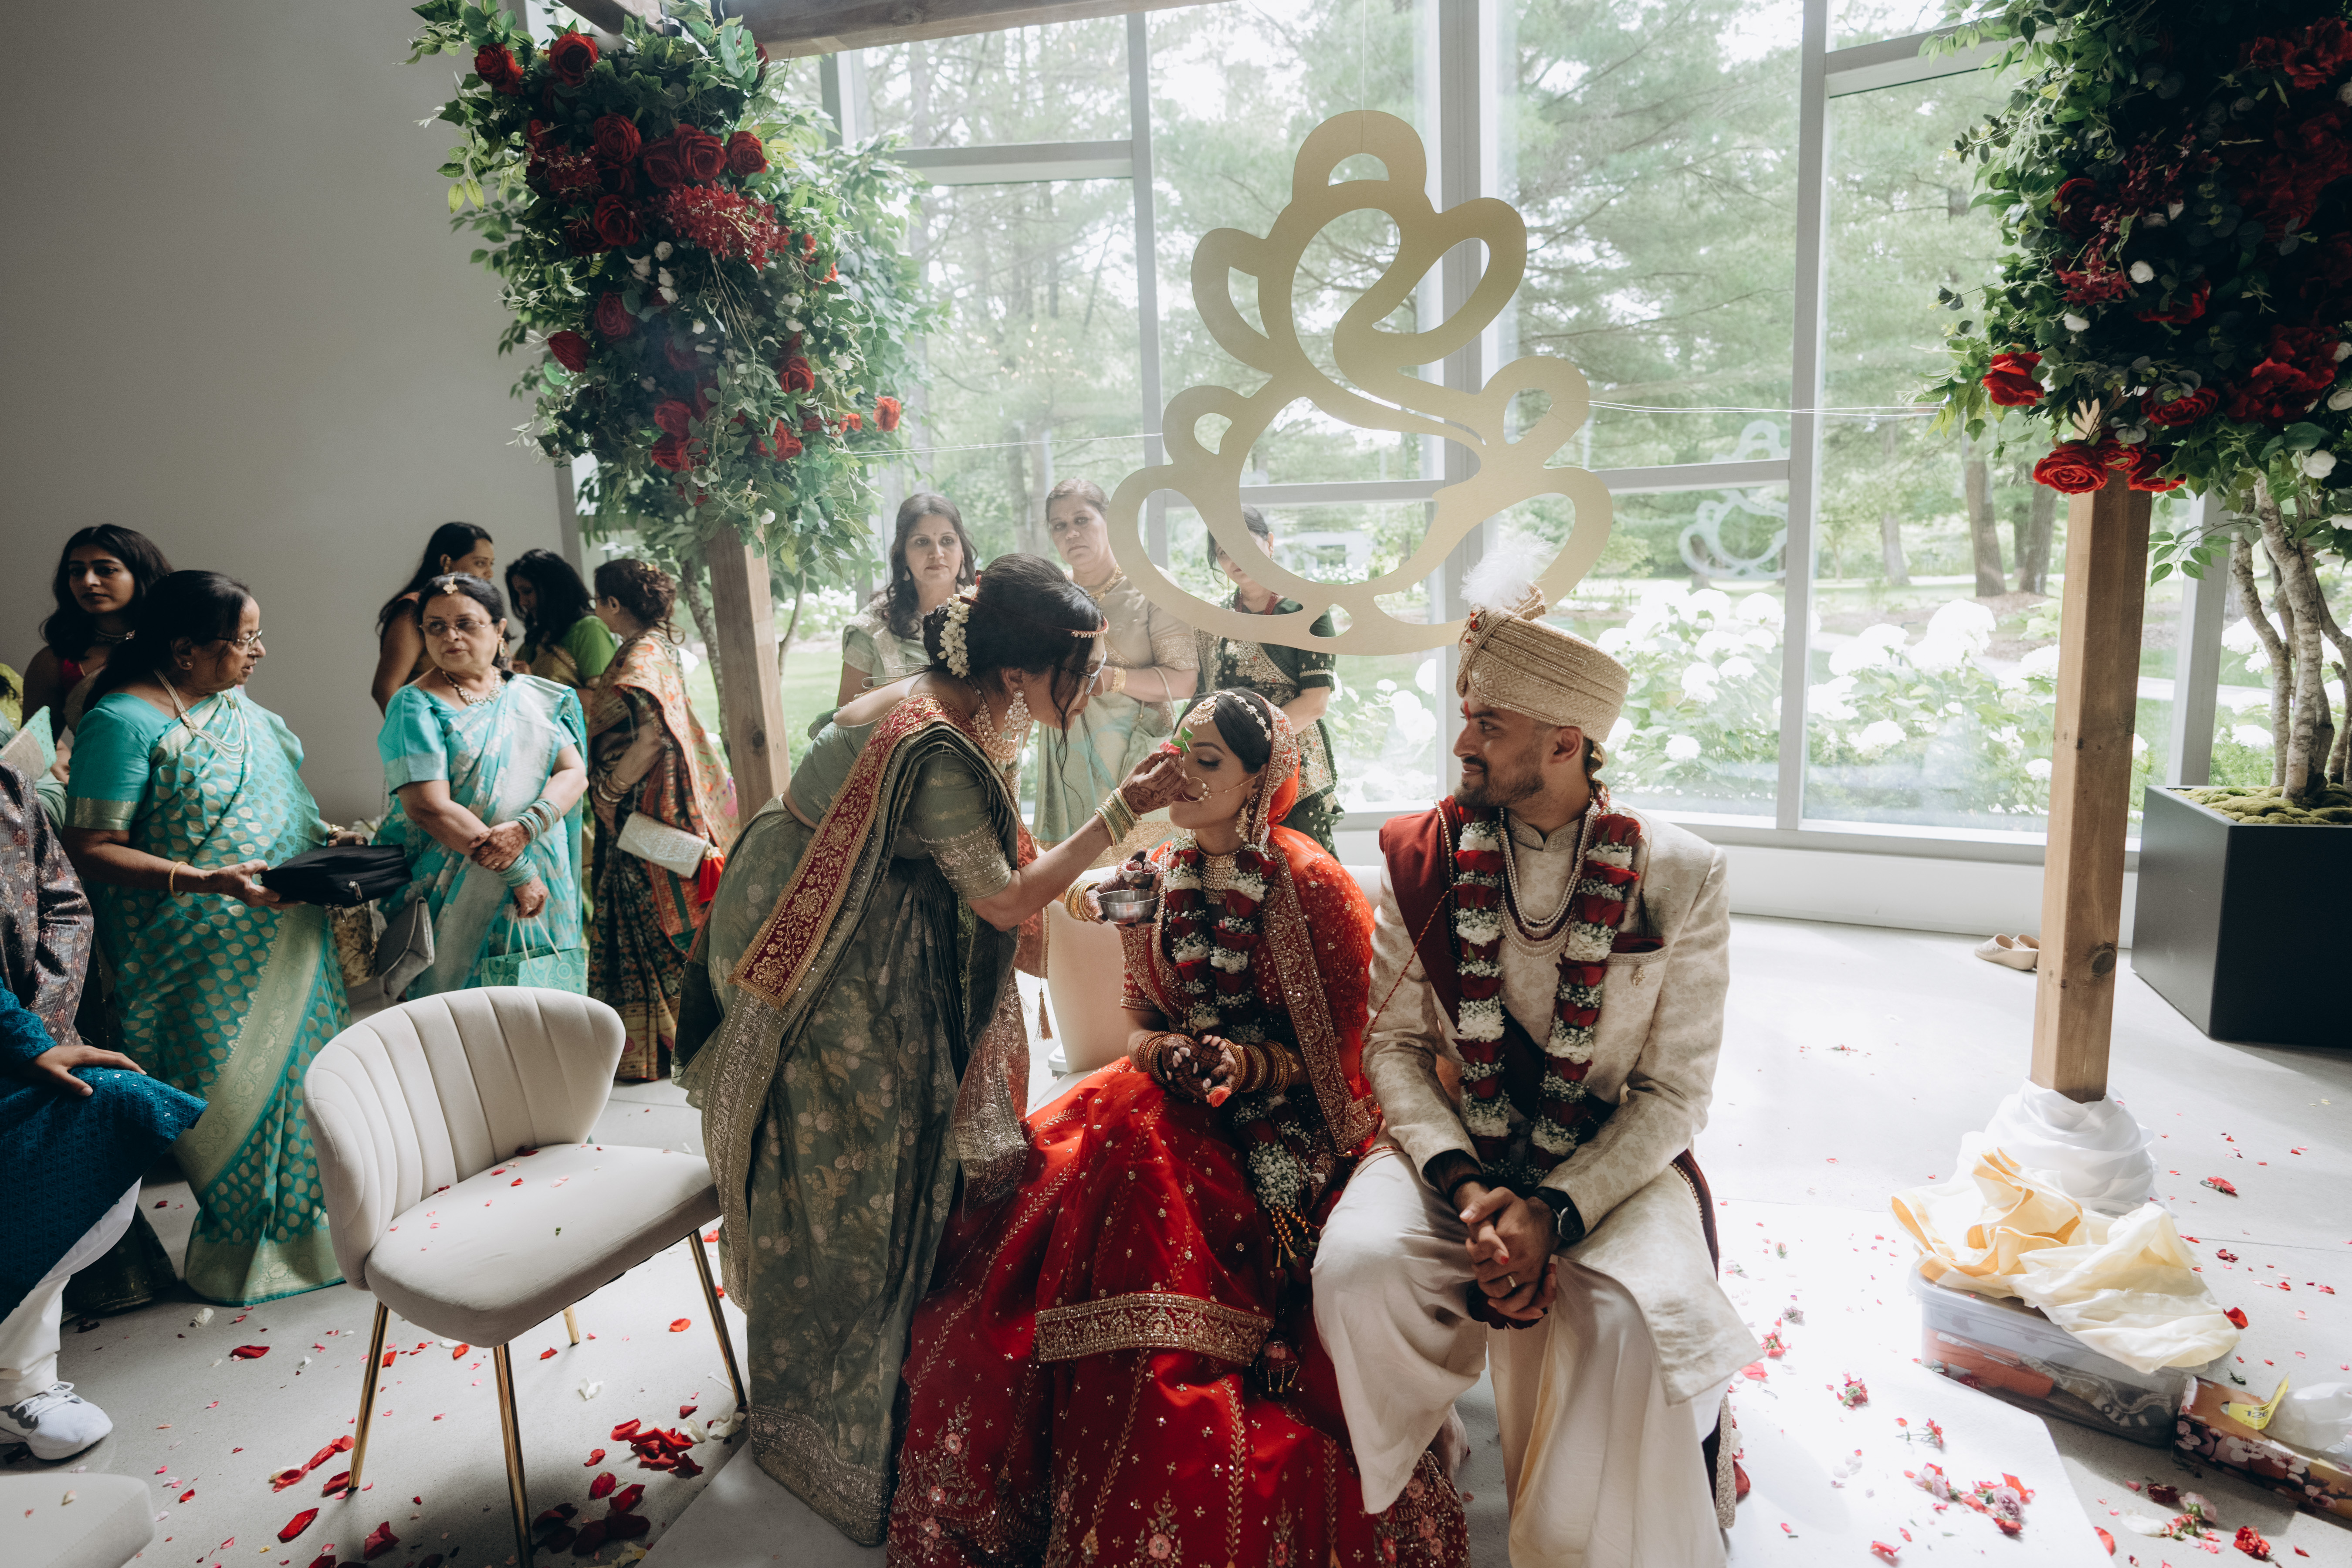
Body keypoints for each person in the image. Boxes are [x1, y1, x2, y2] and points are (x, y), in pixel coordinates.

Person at [885, 689, 1468, 1568]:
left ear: (1257, 781)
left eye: (1207, 761)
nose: (1180, 775)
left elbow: (1347, 1059)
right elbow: (1137, 1021)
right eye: (1177, 752)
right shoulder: (1154, 872)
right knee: (1074, 1167)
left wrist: (1245, 1066)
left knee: (1139, 1170)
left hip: (1281, 1125)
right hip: (1162, 1095)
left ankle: (1157, 1392)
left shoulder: (1307, 882)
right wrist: (1163, 1053)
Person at [675, 554, 1190, 1544]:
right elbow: (1002, 898)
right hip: (816, 941)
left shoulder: (968, 705)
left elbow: (995, 848)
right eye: (1077, 668)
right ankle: (834, 1424)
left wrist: (1101, 877)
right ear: (1014, 673)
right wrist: (1119, 816)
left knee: (917, 1145)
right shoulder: (933, 744)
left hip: (878, 918)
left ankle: (911, 1385)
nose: (1092, 684)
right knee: (861, 1167)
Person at [1311, 584, 1753, 1565]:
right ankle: (1417, 1457)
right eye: (1466, 716)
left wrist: (1553, 1209)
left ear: (1564, 743)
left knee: (1634, 1319)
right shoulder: (1421, 857)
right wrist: (1467, 1187)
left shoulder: (1680, 873)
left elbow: (1674, 1094)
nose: (1460, 742)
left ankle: (1568, 1543)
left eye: (1488, 725)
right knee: (1356, 1269)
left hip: (1603, 1155)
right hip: (1451, 1143)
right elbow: (1391, 1048)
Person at [61, 571, 355, 1305]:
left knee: (313, 1083)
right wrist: (204, 880)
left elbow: (278, 804)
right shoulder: (122, 721)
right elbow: (91, 846)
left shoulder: (238, 710)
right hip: (189, 951)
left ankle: (334, 1233)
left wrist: (328, 841)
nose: (259, 651)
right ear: (185, 648)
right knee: (227, 1091)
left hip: (289, 930)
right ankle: (248, 1251)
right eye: (244, 638)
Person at [0, 759, 207, 1458]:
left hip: (30, 1034)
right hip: (17, 1041)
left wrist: (41, 1029)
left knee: (118, 1112)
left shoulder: (9, 784)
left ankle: (21, 1375)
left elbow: (64, 902)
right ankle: (20, 1382)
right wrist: (25, 1041)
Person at [376, 575, 588, 997]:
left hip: (542, 873)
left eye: (466, 624)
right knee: (465, 1012)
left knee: (543, 1004)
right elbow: (428, 806)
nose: (450, 636)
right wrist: (517, 869)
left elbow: (573, 773)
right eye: (436, 626)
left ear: (499, 628)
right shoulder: (415, 704)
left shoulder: (532, 697)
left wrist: (526, 828)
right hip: (460, 878)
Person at [585, 559, 735, 1080]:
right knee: (644, 918)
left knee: (649, 918)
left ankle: (673, 1042)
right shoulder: (661, 647)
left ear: (612, 604)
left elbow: (651, 738)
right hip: (658, 803)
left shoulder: (640, 656)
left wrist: (609, 790)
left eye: (598, 600)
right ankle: (663, 1043)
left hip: (643, 805)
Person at [1032, 479, 1198, 846]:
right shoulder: (1051, 595)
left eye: (1082, 520)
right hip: (1068, 754)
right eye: (1059, 525)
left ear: (1109, 522)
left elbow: (1185, 681)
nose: (1071, 533)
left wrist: (1112, 679)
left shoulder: (1152, 585)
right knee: (1073, 868)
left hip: (1134, 753)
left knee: (1142, 867)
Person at [1194, 505, 1344, 855]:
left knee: (1304, 867)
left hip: (1293, 765)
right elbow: (1202, 702)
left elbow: (1315, 703)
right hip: (1228, 773)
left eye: (1244, 544)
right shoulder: (1212, 618)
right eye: (1223, 551)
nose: (1235, 558)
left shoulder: (1308, 610)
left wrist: (1251, 747)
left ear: (1270, 542)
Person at [19, 525, 175, 737]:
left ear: (140, 573)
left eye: (106, 570)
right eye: (77, 571)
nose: (88, 581)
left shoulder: (181, 648)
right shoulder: (55, 663)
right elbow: (36, 748)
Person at [836, 493, 978, 707]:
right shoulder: (872, 628)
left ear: (963, 552)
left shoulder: (985, 614)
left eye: (947, 540)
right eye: (922, 542)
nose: (937, 553)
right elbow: (843, 720)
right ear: (902, 555)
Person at [372, 522, 496, 713]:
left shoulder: (482, 611)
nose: (489, 573)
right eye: (480, 563)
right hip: (432, 725)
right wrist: (413, 729)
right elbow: (386, 688)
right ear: (447, 561)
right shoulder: (414, 609)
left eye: (491, 564)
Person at [507, 548, 619, 693]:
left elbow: (601, 699)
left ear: (553, 588)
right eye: (518, 595)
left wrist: (537, 687)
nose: (522, 602)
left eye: (527, 591)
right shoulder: (536, 638)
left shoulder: (589, 629)